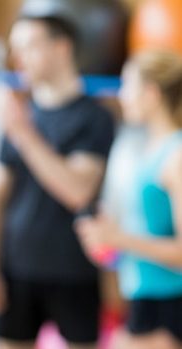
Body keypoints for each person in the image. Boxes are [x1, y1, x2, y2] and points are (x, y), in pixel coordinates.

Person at [0, 15, 115, 349]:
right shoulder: (21, 117)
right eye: (15, 48)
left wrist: (22, 133)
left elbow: (77, 191)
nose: (19, 56)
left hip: (74, 272)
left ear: (61, 48)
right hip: (16, 270)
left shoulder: (94, 118)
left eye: (29, 45)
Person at [76, 50, 182, 349]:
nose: (122, 96)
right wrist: (105, 239)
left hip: (171, 302)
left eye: (128, 86)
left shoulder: (176, 155)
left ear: (151, 93)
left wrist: (119, 238)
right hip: (142, 296)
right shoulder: (148, 150)